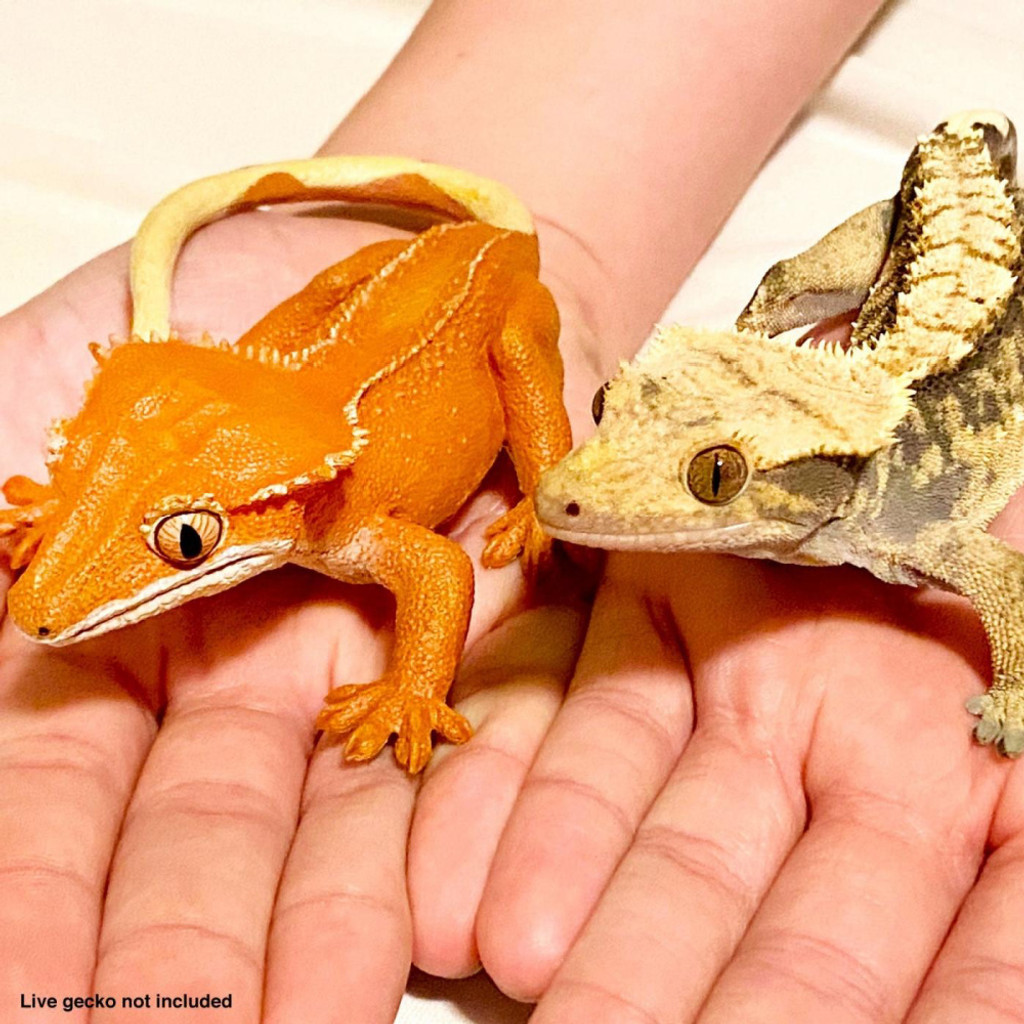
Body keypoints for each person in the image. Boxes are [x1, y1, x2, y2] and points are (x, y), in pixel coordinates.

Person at [3, 1, 1020, 1021]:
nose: (578, 485)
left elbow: (439, 566)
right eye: (608, 412)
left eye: (188, 542)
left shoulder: (914, 530)